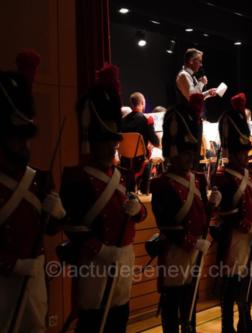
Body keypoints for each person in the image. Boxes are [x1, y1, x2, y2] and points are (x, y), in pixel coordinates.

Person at [60, 64, 147, 333]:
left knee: (119, 319)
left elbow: (136, 214)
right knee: (92, 323)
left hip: (121, 262)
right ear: (92, 141)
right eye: (106, 140)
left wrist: (137, 211)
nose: (112, 145)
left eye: (114, 140)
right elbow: (73, 226)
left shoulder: (122, 175)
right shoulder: (76, 177)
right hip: (93, 267)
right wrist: (104, 251)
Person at [0, 50, 66, 333]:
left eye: (24, 138)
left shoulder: (39, 178)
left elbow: (50, 229)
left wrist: (57, 214)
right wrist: (12, 265)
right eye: (15, 138)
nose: (22, 145)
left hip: (35, 277)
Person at [151, 93, 222, 333]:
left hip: (194, 251)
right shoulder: (161, 184)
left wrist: (212, 204)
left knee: (190, 303)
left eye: (191, 153)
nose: (190, 157)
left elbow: (201, 213)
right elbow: (166, 225)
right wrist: (192, 241)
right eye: (185, 152)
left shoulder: (199, 180)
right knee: (172, 305)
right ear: (172, 152)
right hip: (175, 252)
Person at [214, 92, 252, 333]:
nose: (244, 156)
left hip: (249, 238)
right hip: (234, 240)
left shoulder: (248, 174)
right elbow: (227, 213)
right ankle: (228, 326)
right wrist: (250, 226)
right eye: (240, 153)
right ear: (231, 152)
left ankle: (245, 322)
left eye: (245, 152)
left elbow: (251, 203)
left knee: (246, 282)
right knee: (231, 286)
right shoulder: (224, 178)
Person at [121, 92, 160, 194]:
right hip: (141, 162)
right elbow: (155, 142)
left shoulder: (122, 121)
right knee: (152, 157)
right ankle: (145, 191)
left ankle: (130, 191)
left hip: (125, 162)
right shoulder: (147, 119)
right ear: (142, 103)